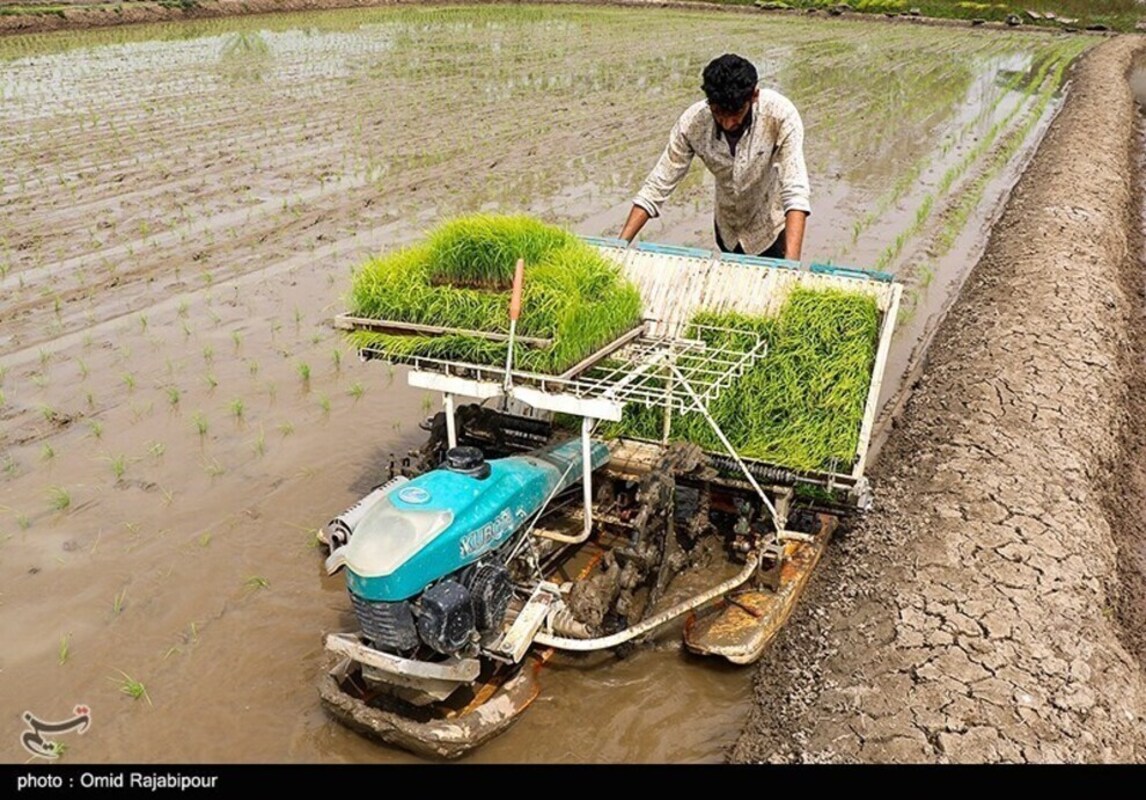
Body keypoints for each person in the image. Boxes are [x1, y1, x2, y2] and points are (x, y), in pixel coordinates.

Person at [618, 53, 811, 261]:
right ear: (709, 102)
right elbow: (657, 186)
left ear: (754, 96)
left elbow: (795, 190)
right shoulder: (693, 124)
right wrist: (618, 247)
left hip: (769, 231)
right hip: (727, 229)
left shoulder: (780, 116)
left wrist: (791, 269)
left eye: (736, 113)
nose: (728, 123)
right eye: (719, 113)